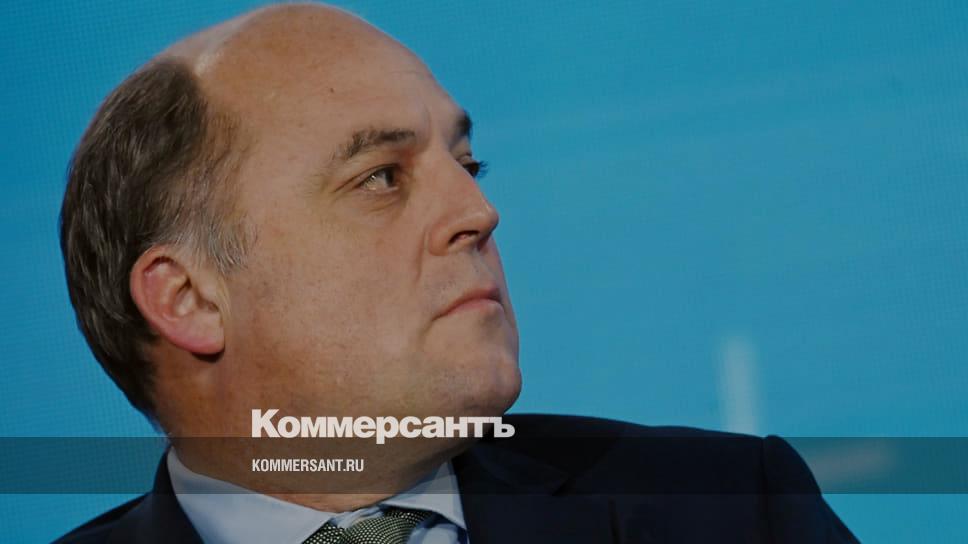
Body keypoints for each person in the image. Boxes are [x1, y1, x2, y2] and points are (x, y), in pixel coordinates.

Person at [55, 3, 857, 543]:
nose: (478, 211)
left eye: (468, 164)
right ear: (190, 297)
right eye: (381, 178)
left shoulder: (734, 512)